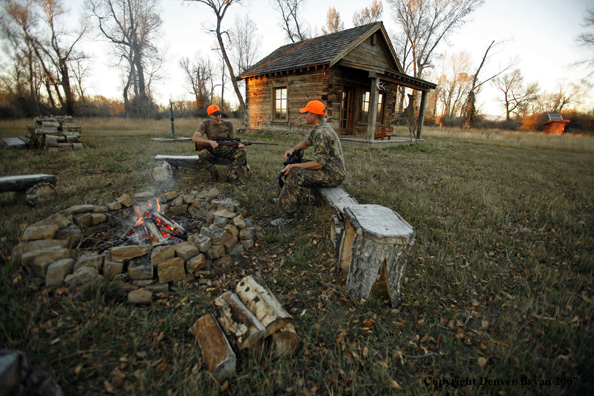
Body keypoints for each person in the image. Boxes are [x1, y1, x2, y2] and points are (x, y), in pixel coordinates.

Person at [269, 100, 346, 227]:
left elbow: (319, 164)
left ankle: (288, 218)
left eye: (306, 113)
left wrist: (293, 166)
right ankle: (286, 198)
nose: (304, 116)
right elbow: (306, 142)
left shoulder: (322, 133)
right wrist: (293, 150)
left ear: (313, 116)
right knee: (295, 162)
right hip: (327, 168)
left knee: (295, 173)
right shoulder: (319, 128)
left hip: (333, 174)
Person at [192, 104, 246, 185]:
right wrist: (210, 142)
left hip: (227, 152)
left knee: (242, 152)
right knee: (202, 154)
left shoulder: (228, 124)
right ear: (210, 115)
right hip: (212, 152)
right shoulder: (205, 124)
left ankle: (230, 175)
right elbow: (195, 138)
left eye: (219, 114)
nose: (218, 117)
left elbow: (233, 139)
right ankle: (214, 175)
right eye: (215, 115)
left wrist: (238, 144)